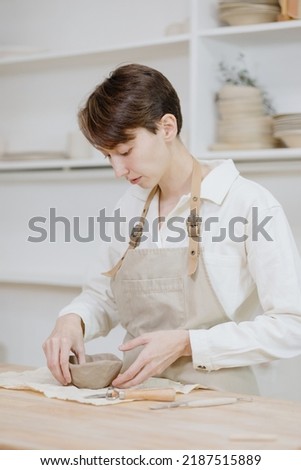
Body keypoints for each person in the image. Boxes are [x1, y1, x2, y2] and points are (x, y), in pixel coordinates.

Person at [43, 63, 301, 397]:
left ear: (166, 127)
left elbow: (292, 325)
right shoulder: (130, 207)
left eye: (124, 151)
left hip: (218, 404)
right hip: (136, 398)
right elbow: (102, 295)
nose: (118, 170)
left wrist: (187, 344)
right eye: (108, 157)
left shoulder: (247, 204)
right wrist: (72, 320)